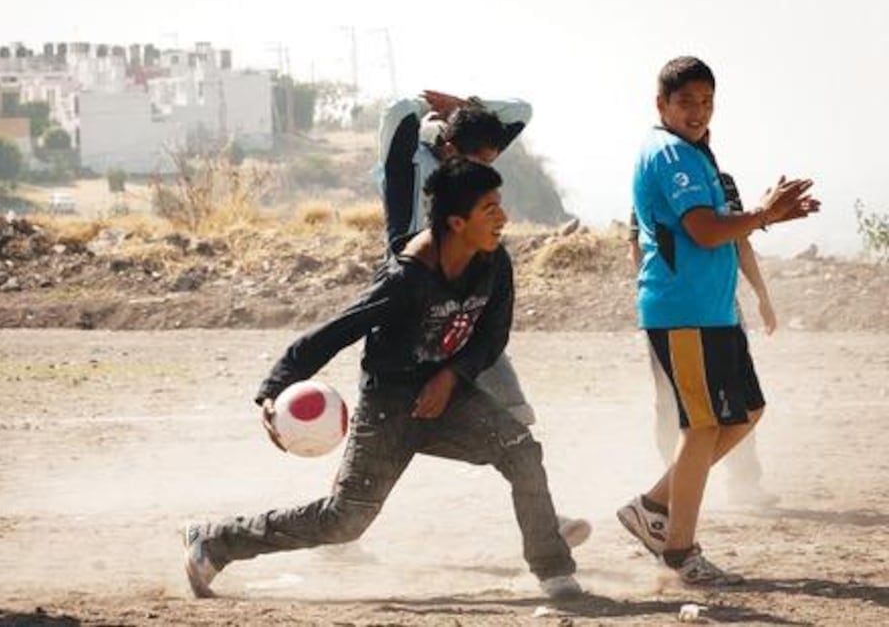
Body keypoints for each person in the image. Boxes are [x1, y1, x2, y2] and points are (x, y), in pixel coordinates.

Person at [184, 159, 582, 600]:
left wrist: (451, 376)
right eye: (489, 208)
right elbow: (334, 332)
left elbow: (492, 336)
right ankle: (215, 540)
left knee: (520, 450)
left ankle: (553, 569)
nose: (502, 218)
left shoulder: (494, 262)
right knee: (343, 522)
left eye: (499, 205)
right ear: (456, 221)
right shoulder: (405, 279)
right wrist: (274, 390)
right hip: (390, 408)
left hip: (450, 397)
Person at [616, 56, 820, 585]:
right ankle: (680, 551)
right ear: (661, 104)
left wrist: (763, 218)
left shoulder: (696, 154)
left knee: (745, 413)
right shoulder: (669, 154)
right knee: (702, 425)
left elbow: (728, 231)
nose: (698, 111)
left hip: (713, 312)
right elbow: (704, 231)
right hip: (683, 311)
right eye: (686, 101)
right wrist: (765, 214)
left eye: (707, 102)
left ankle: (653, 506)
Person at [376, 90, 592, 548]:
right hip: (409, 309)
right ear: (450, 149)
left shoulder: (472, 164)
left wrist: (466, 106)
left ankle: (546, 520)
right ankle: (342, 525)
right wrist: (425, 100)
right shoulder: (407, 162)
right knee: (385, 429)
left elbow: (521, 111)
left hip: (465, 305)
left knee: (514, 421)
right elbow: (397, 112)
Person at [627, 172, 781, 509]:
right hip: (673, 312)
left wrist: (762, 296)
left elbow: (741, 241)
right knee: (669, 400)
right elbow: (637, 248)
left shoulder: (722, 183)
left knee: (739, 397)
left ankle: (743, 483)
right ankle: (672, 489)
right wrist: (658, 294)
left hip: (722, 308)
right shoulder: (651, 183)